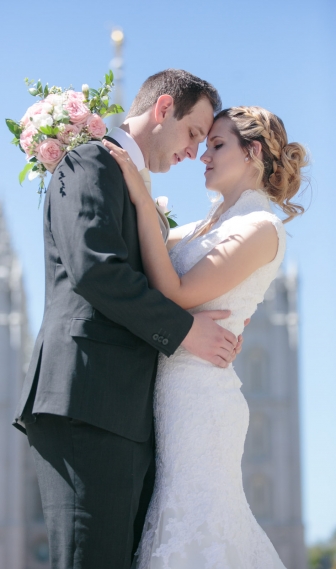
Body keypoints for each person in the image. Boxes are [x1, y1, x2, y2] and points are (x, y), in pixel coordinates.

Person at [14, 69, 244, 569]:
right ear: (163, 110)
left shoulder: (133, 187)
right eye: (192, 134)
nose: (193, 153)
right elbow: (97, 271)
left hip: (126, 416)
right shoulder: (89, 160)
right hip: (87, 402)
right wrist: (187, 332)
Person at [104, 105, 307, 568]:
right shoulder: (201, 228)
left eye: (217, 145)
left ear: (252, 152)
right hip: (166, 396)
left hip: (202, 403)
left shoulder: (261, 227)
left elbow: (175, 292)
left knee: (196, 527)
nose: (203, 155)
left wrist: (140, 196)